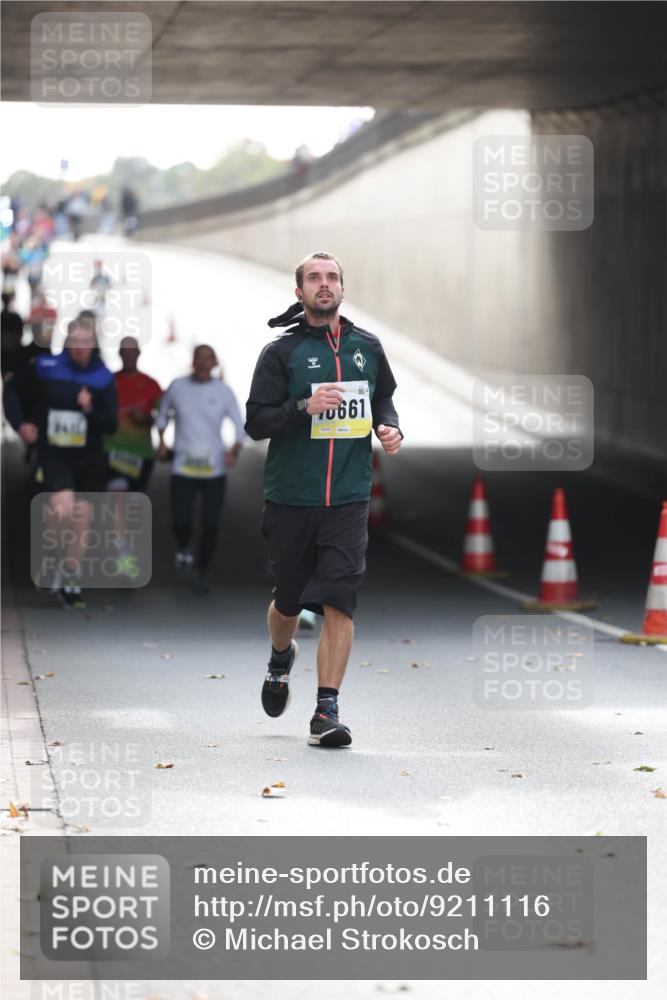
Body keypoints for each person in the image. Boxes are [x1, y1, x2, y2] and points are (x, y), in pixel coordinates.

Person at [245, 250, 402, 748]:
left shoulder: (367, 347)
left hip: (351, 498)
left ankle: (325, 712)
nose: (324, 284)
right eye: (314, 278)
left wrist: (390, 426)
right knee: (288, 599)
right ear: (300, 292)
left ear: (342, 288)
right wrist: (303, 406)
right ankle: (279, 658)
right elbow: (256, 422)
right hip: (292, 496)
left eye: (332, 277)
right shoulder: (281, 354)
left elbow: (383, 396)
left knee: (340, 597)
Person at [3, 318, 117, 608]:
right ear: (67, 343)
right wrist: (20, 424)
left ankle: (70, 579)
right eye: (74, 341)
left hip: (88, 459)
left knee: (81, 519)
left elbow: (111, 423)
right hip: (54, 454)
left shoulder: (104, 378)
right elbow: (12, 389)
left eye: (85, 342)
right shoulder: (46, 367)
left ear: (93, 344)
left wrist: (89, 409)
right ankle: (51, 556)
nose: (79, 348)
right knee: (60, 508)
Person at [156, 345, 245, 594]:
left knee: (212, 524)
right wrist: (162, 441)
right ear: (192, 361)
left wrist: (234, 451)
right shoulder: (178, 386)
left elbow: (239, 427)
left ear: (215, 362)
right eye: (199, 358)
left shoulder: (223, 391)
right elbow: (162, 416)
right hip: (183, 467)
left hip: (213, 470)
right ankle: (184, 547)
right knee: (181, 520)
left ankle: (202, 571)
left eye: (208, 358)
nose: (204, 363)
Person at [104, 336, 161, 494]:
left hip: (141, 453)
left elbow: (164, 416)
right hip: (112, 450)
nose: (129, 356)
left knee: (134, 503)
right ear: (119, 354)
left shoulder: (151, 384)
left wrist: (147, 419)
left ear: (139, 353)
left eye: (132, 352)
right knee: (118, 499)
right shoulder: (108, 381)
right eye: (125, 352)